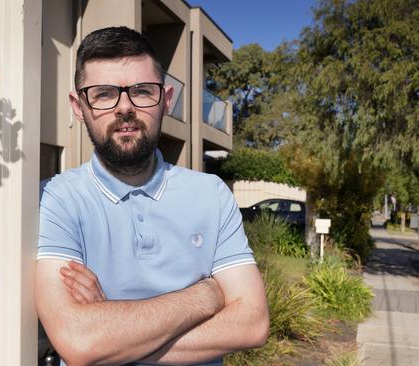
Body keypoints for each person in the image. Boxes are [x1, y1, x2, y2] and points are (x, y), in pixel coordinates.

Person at [35, 26, 269, 366]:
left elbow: (252, 324)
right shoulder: (54, 199)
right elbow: (79, 341)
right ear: (78, 105)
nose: (125, 108)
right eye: (103, 93)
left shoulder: (211, 194)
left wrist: (113, 337)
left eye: (143, 91)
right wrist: (204, 296)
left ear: (167, 100)